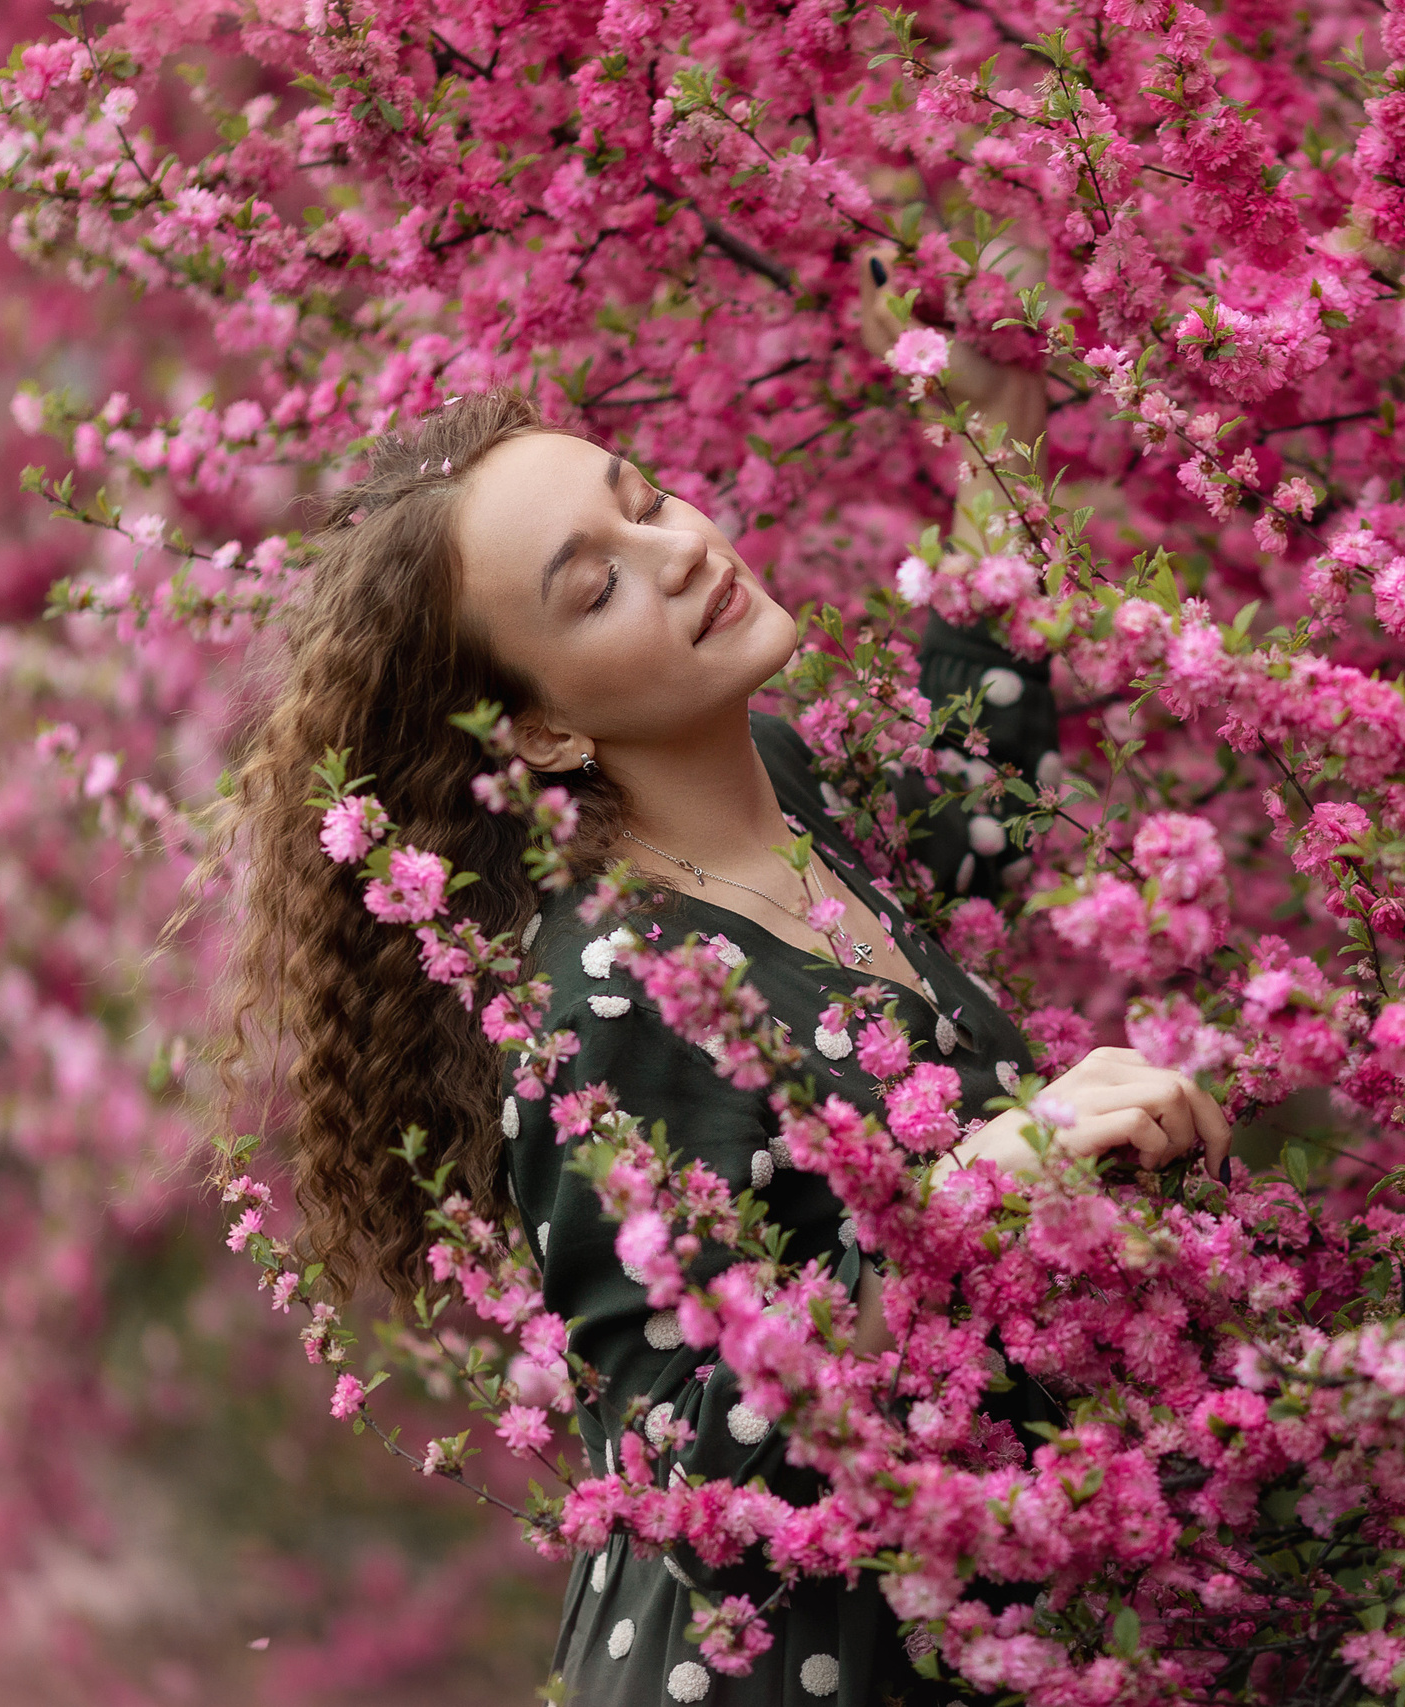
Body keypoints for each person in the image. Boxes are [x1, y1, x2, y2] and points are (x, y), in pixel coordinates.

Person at [221, 321, 1227, 1706]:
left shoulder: (777, 781)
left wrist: (998, 427)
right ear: (540, 734)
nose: (680, 549)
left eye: (643, 500)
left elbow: (972, 819)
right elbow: (684, 1441)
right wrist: (975, 1197)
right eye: (595, 589)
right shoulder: (599, 998)